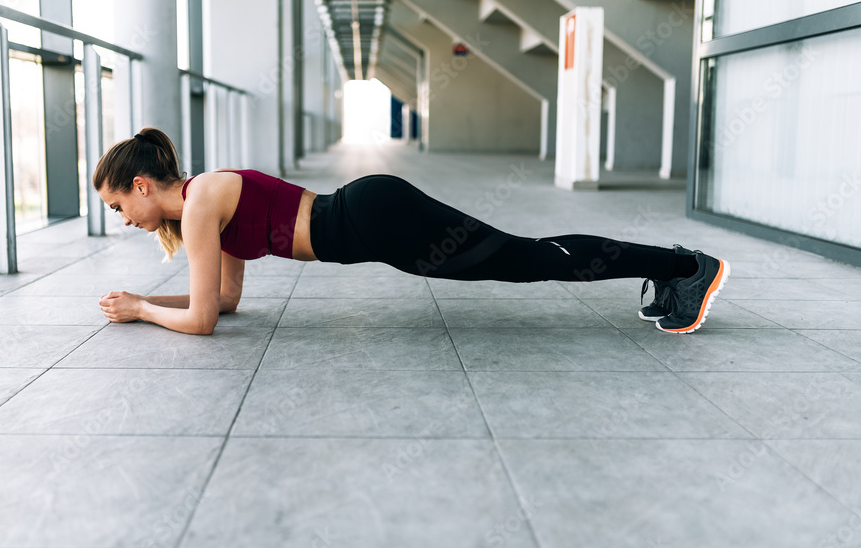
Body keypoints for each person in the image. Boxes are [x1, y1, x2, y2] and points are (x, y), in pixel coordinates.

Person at [94, 127, 730, 336]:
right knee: (527, 259)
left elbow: (201, 321)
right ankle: (674, 267)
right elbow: (224, 302)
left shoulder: (202, 203)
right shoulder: (202, 205)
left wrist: (143, 310)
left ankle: (682, 267)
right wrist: (147, 304)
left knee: (531, 260)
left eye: (119, 205)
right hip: (373, 222)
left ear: (143, 186)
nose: (122, 219)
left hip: (375, 221)